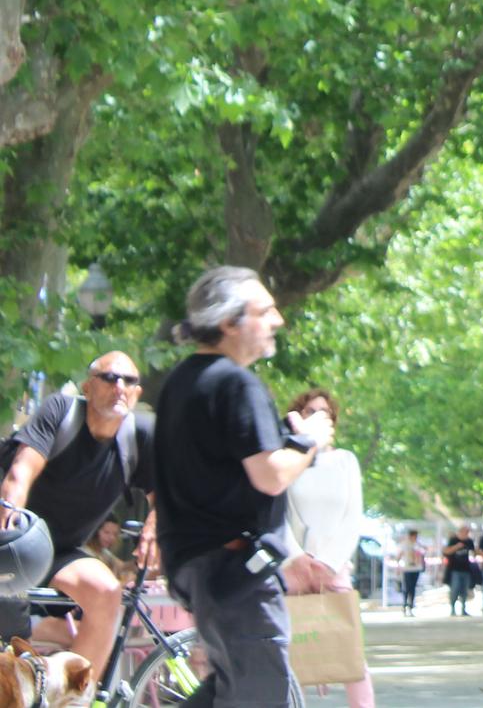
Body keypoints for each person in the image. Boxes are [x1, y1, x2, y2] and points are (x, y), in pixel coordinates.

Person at [154, 266, 332, 707]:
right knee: (258, 694)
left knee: (232, 688)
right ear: (230, 322)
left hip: (199, 567)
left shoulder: (179, 383)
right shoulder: (235, 383)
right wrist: (308, 440)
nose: (278, 320)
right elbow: (269, 475)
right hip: (237, 573)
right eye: (266, 310)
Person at [0, 350, 155, 678]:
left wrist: (154, 532)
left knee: (107, 592)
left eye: (129, 381)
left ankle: (74, 698)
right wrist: (9, 523)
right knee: (13, 643)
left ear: (137, 393)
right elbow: (20, 474)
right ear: (87, 387)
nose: (119, 387)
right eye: (109, 377)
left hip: (60, 552)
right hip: (15, 539)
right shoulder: (60, 411)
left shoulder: (138, 438)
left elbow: (165, 499)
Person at [283, 388, 374, 708]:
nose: (317, 416)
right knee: (292, 650)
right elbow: (279, 515)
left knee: (350, 650)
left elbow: (353, 516)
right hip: (293, 567)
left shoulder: (345, 461)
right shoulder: (289, 460)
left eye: (324, 412)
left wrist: (329, 561)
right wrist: (297, 557)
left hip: (333, 567)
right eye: (309, 411)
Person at [443, 524, 477, 616]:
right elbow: (446, 551)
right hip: (455, 569)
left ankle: (463, 608)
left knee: (464, 590)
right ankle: (453, 608)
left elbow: (474, 553)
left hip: (466, 569)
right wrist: (456, 547)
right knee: (455, 588)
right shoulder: (453, 540)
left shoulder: (469, 541)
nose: (466, 533)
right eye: (465, 532)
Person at [395, 528, 425, 616]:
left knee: (413, 588)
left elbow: (422, 554)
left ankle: (411, 605)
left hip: (416, 568)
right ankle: (405, 605)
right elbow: (399, 555)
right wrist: (398, 567)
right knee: (407, 587)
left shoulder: (417, 544)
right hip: (407, 568)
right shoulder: (404, 544)